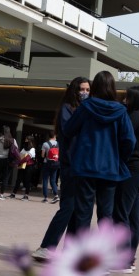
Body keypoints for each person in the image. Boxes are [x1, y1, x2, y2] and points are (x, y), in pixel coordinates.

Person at [64, 70, 135, 231]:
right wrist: (120, 158)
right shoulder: (121, 111)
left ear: (94, 86)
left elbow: (68, 130)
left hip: (85, 166)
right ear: (112, 88)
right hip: (110, 168)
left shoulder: (86, 107)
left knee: (83, 214)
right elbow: (130, 140)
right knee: (106, 215)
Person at [31, 77, 89, 261]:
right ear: (74, 90)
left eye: (88, 89)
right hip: (71, 165)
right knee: (68, 207)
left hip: (81, 167)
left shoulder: (82, 109)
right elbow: (70, 131)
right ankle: (47, 246)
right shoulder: (68, 109)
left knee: (74, 210)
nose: (85, 93)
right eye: (82, 89)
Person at [112, 86, 139, 274]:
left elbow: (122, 137)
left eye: (127, 97)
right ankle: (130, 259)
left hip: (131, 170)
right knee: (133, 218)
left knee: (120, 215)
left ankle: (123, 261)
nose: (124, 99)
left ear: (134, 99)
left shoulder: (134, 116)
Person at [40, 131, 60, 202]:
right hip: (55, 163)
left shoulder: (45, 144)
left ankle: (45, 198)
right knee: (53, 180)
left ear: (49, 136)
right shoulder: (58, 144)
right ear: (54, 136)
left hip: (47, 163)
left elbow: (42, 155)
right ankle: (56, 195)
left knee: (45, 180)